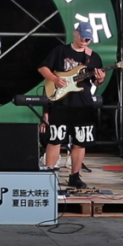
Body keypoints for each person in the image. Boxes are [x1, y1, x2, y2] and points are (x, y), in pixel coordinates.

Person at [38, 22, 105, 189]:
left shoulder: (93, 57)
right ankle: (49, 175)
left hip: (83, 104)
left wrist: (100, 80)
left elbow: (96, 82)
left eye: (88, 39)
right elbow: (43, 68)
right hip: (61, 102)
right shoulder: (61, 51)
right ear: (75, 33)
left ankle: (74, 176)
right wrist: (55, 79)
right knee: (55, 139)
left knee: (80, 141)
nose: (85, 41)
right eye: (82, 37)